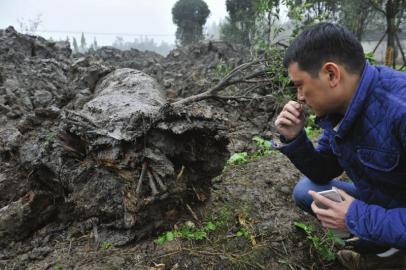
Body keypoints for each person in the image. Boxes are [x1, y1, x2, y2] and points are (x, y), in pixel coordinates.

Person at [274, 22, 406, 269]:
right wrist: (295, 138)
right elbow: (324, 171)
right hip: (385, 201)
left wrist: (357, 217)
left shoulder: (400, 109)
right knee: (309, 191)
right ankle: (384, 253)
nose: (299, 96)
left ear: (331, 74)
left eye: (300, 84)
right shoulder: (340, 110)